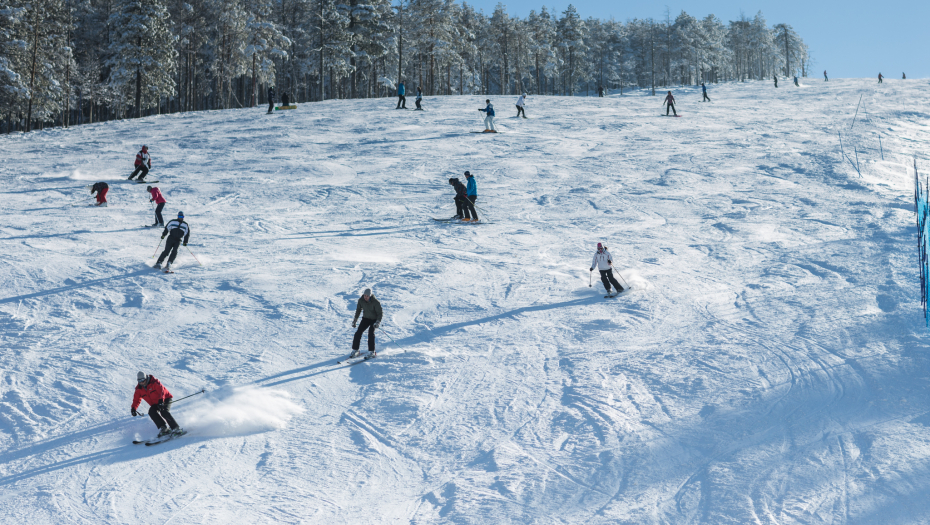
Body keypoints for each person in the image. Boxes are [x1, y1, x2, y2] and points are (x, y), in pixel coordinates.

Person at [131, 371, 182, 438]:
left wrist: (161, 401)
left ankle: (176, 428)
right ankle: (164, 428)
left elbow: (161, 391)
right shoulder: (139, 389)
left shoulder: (154, 382)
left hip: (165, 398)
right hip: (155, 403)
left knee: (163, 411)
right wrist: (133, 408)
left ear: (146, 378)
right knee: (151, 411)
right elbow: (136, 400)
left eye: (142, 380)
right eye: (139, 381)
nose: (141, 382)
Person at [350, 288, 382, 358]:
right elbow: (358, 310)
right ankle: (356, 350)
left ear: (370, 296)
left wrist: (378, 322)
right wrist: (355, 320)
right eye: (364, 295)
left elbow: (380, 313)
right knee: (358, 332)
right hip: (365, 319)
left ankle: (371, 351)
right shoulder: (361, 300)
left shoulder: (375, 302)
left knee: (371, 333)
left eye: (367, 296)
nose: (365, 297)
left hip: (374, 320)